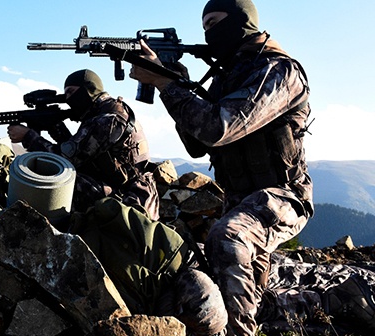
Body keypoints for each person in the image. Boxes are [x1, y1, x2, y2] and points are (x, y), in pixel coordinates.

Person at [129, 0, 315, 334]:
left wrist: (166, 85)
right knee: (250, 293)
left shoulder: (278, 70)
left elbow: (218, 127)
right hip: (241, 199)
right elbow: (197, 144)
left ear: (242, 21)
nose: (208, 34)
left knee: (227, 238)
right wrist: (177, 84)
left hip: (284, 197)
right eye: (204, 27)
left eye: (215, 22)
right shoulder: (227, 77)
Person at [7, 69, 160, 221]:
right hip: (130, 193)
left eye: (71, 92)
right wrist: (55, 126)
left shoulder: (107, 120)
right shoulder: (111, 111)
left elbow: (65, 160)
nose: (67, 99)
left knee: (60, 177)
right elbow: (81, 149)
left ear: (89, 90)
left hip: (130, 203)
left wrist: (28, 136)